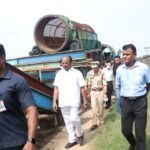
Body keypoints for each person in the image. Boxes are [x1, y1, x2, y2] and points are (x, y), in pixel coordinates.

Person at [0, 44, 38, 150]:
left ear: (2, 58)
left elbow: (31, 110)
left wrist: (31, 141)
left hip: (15, 143)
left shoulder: (17, 81)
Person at [115, 44, 150, 150]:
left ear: (135, 55)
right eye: (123, 54)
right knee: (126, 131)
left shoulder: (144, 68)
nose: (124, 56)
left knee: (140, 133)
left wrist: (142, 95)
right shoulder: (119, 69)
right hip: (125, 102)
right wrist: (118, 102)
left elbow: (148, 84)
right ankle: (133, 143)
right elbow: (118, 86)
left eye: (127, 54)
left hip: (140, 102)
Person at [53, 56, 88, 149]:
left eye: (66, 63)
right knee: (67, 122)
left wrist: (84, 100)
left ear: (71, 63)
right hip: (63, 101)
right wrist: (54, 102)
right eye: (63, 63)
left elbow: (82, 87)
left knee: (74, 118)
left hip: (74, 100)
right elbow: (56, 88)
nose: (64, 65)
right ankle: (72, 139)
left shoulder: (77, 73)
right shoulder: (59, 74)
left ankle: (80, 134)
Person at [86, 61, 107, 131]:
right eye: (93, 68)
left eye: (95, 68)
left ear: (98, 66)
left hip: (100, 91)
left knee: (101, 108)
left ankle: (100, 121)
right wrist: (88, 93)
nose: (94, 69)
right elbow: (88, 84)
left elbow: (105, 85)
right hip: (93, 92)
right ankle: (94, 123)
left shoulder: (102, 73)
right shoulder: (89, 73)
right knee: (93, 108)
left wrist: (104, 94)